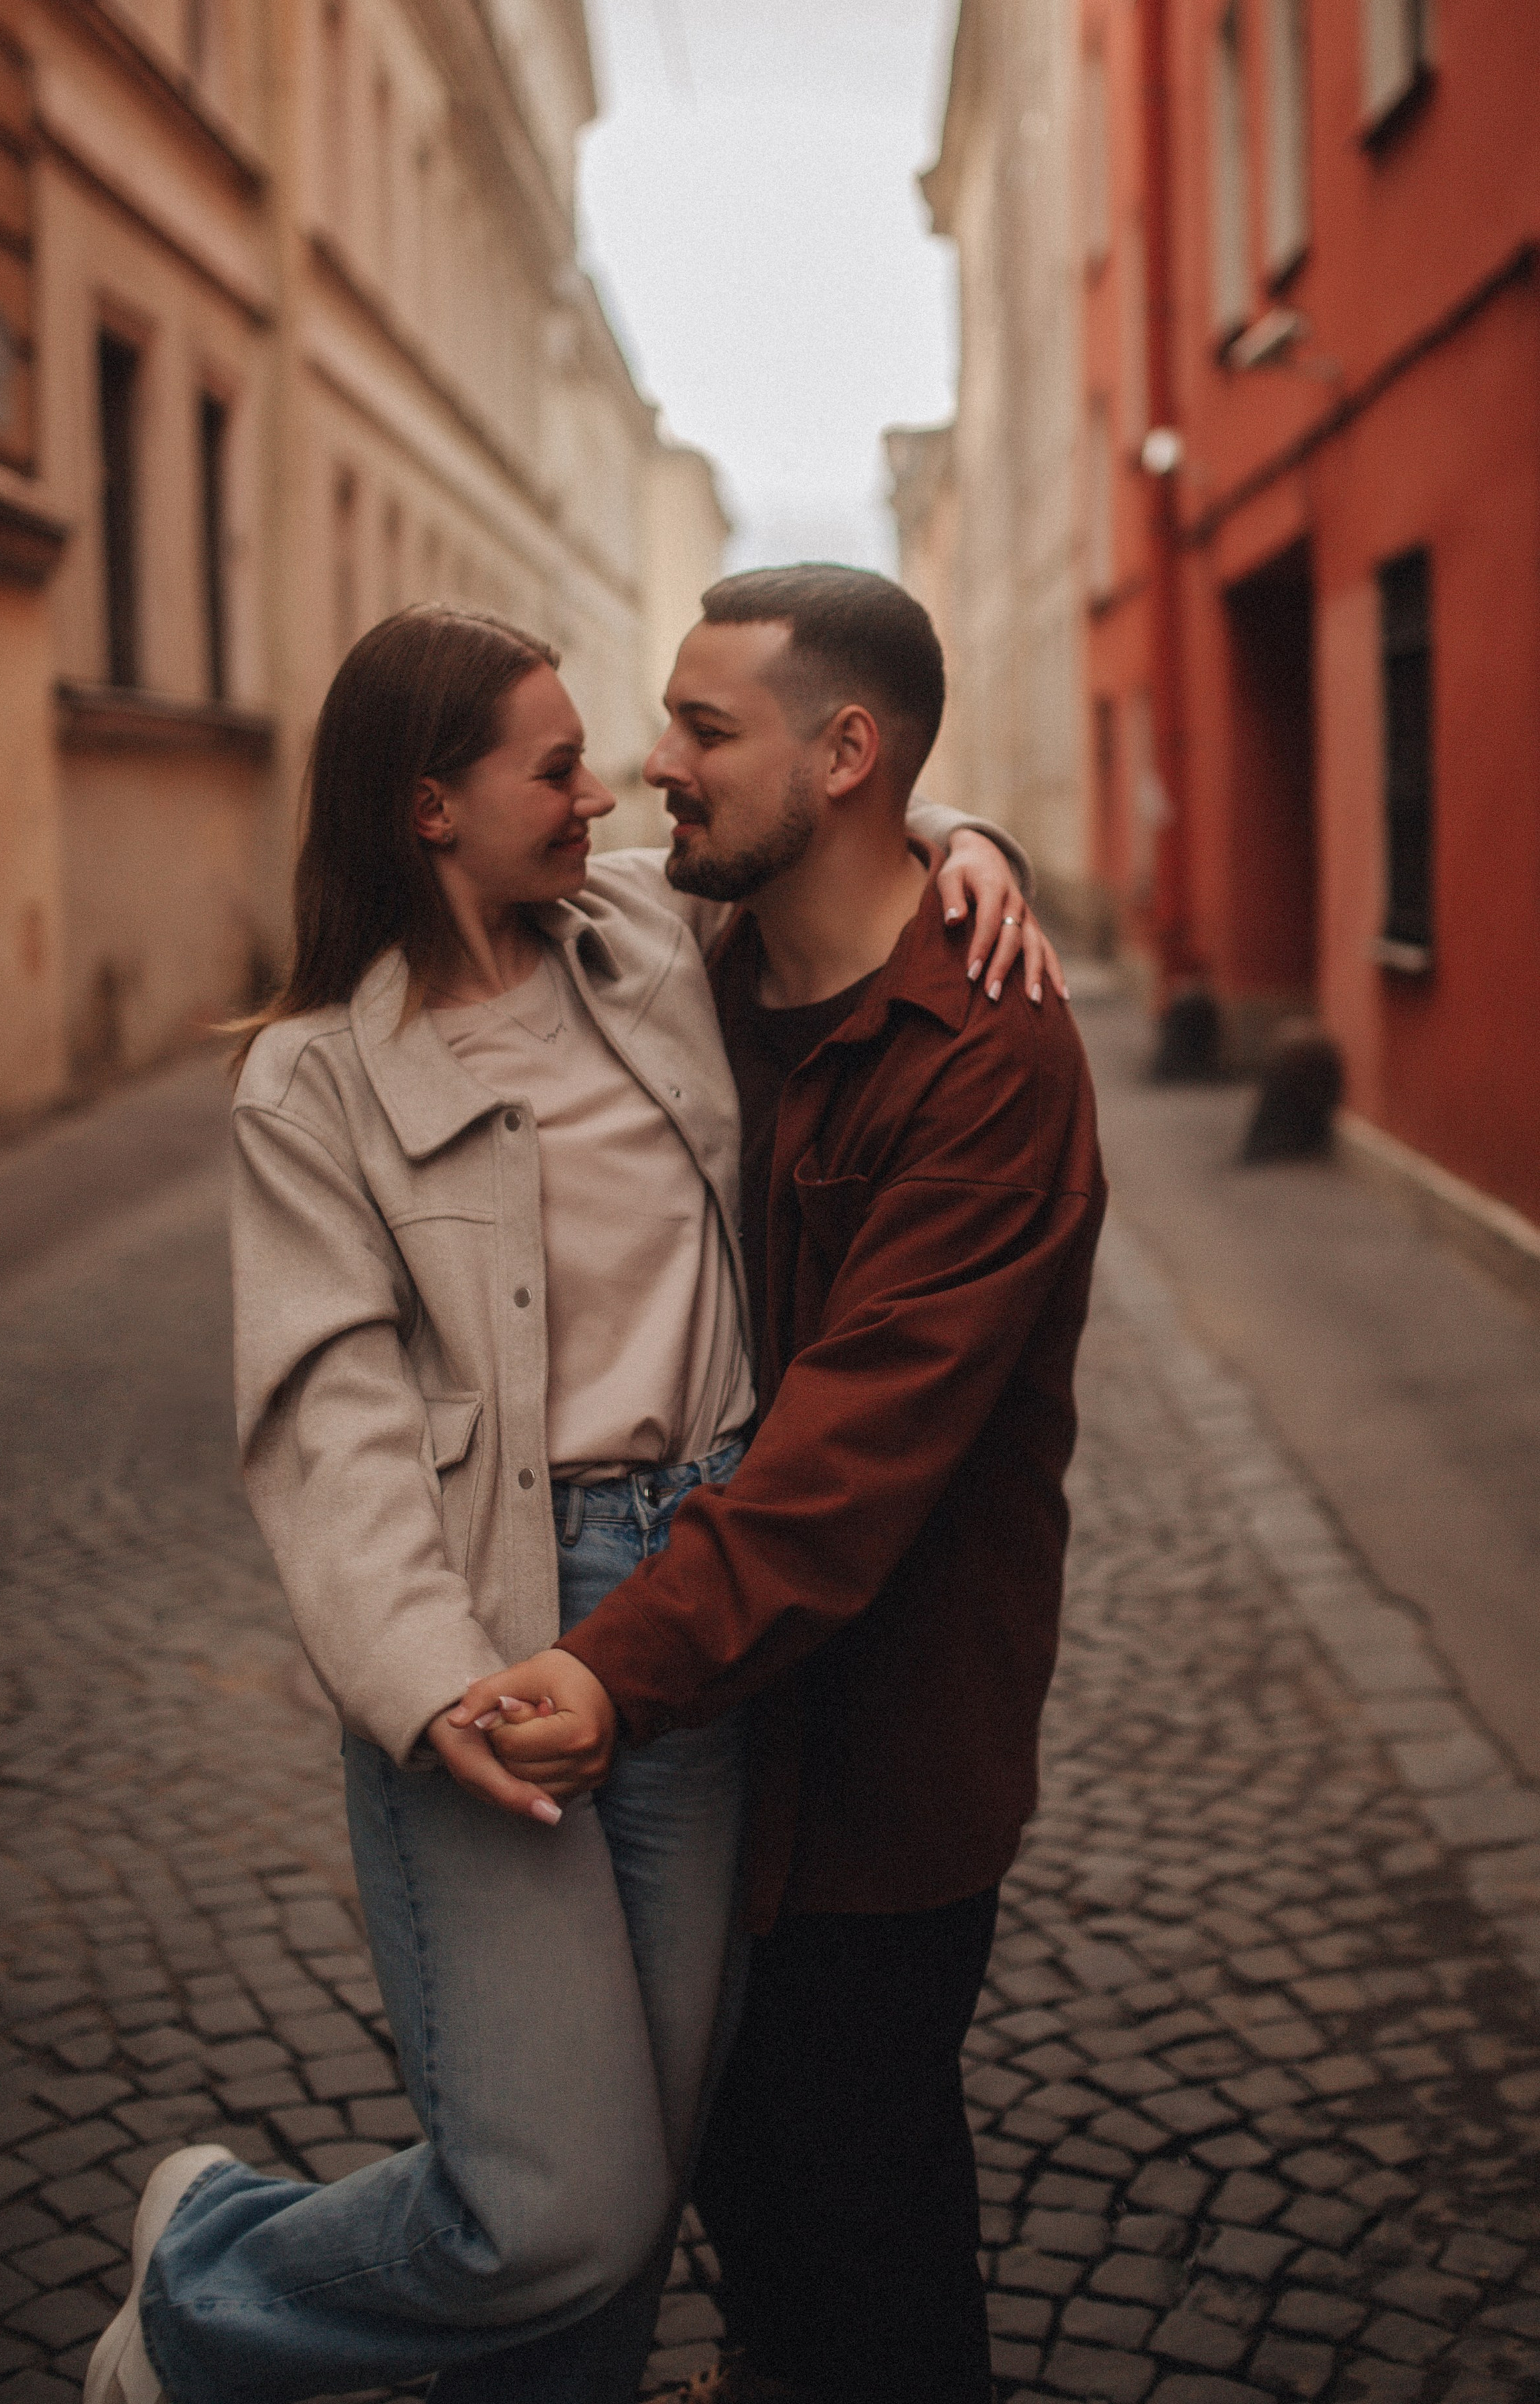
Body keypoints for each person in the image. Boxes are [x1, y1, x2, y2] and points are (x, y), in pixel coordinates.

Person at [83, 602, 1050, 2404]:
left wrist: (965, 846)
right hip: (485, 1626)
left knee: (630, 2190)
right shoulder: (315, 1079)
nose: (607, 788)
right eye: (557, 766)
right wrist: (429, 1680)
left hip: (683, 1612)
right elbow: (330, 1412)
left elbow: (830, 828)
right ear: (431, 807)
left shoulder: (645, 934)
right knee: (553, 2207)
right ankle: (213, 2262)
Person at [454, 566, 1107, 2404]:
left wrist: (606, 1673)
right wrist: (963, 826)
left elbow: (855, 1452)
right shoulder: (692, 962)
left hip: (889, 1742)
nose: (659, 765)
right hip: (712, 1728)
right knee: (737, 2171)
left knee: (864, 2205)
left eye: (702, 730)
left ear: (844, 753)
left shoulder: (988, 1054)